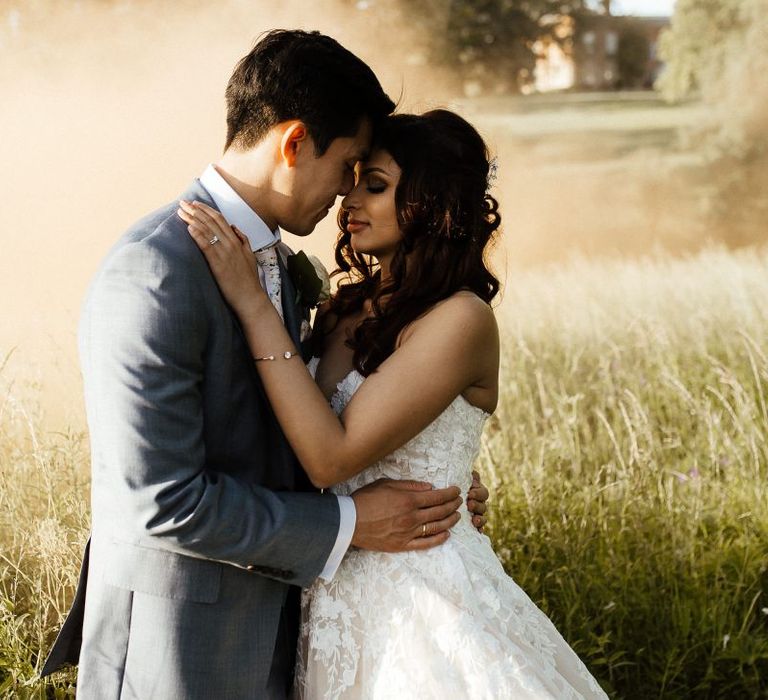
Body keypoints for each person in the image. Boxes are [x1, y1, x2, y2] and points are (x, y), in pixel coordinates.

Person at [41, 31, 489, 699]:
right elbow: (160, 503)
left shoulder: (280, 265)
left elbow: (295, 423)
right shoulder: (156, 270)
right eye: (348, 166)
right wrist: (351, 522)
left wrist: (431, 471)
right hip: (181, 650)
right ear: (294, 143)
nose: (346, 195)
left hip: (298, 634)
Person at [181, 109, 609, 698]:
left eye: (375, 185)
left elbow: (333, 459)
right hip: (327, 592)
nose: (348, 199)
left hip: (420, 601)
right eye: (352, 179)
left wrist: (252, 303)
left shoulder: (461, 319)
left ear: (431, 205)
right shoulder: (341, 308)